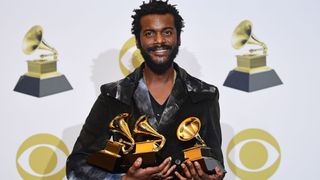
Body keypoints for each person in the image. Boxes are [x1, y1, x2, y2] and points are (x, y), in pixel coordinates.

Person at [66, 0, 225, 179]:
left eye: (167, 32)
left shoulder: (204, 95)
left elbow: (215, 161)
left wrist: (212, 175)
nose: (159, 41)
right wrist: (125, 179)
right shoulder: (113, 96)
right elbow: (76, 165)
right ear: (138, 41)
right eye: (150, 33)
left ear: (178, 38)